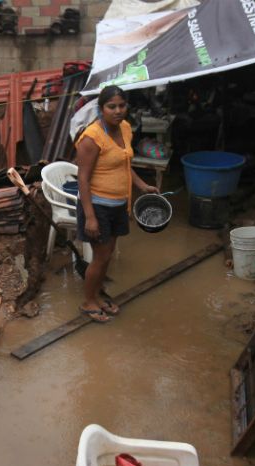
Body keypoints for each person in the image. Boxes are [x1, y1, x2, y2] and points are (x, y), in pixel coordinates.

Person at [75, 85, 159, 322]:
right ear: (101, 109)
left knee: (108, 254)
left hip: (118, 205)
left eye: (122, 105)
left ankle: (97, 296)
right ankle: (88, 302)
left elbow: (124, 164)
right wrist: (90, 216)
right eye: (112, 106)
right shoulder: (91, 138)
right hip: (97, 206)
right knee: (101, 256)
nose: (118, 110)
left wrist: (142, 186)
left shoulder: (125, 129)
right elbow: (82, 178)